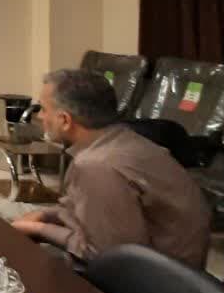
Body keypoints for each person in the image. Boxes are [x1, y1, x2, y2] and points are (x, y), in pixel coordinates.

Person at [11, 69, 211, 268]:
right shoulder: (120, 139)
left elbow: (105, 255)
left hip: (155, 279)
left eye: (44, 109)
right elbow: (86, 211)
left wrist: (39, 229)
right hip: (155, 263)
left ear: (65, 120)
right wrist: (47, 216)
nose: (40, 116)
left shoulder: (98, 165)